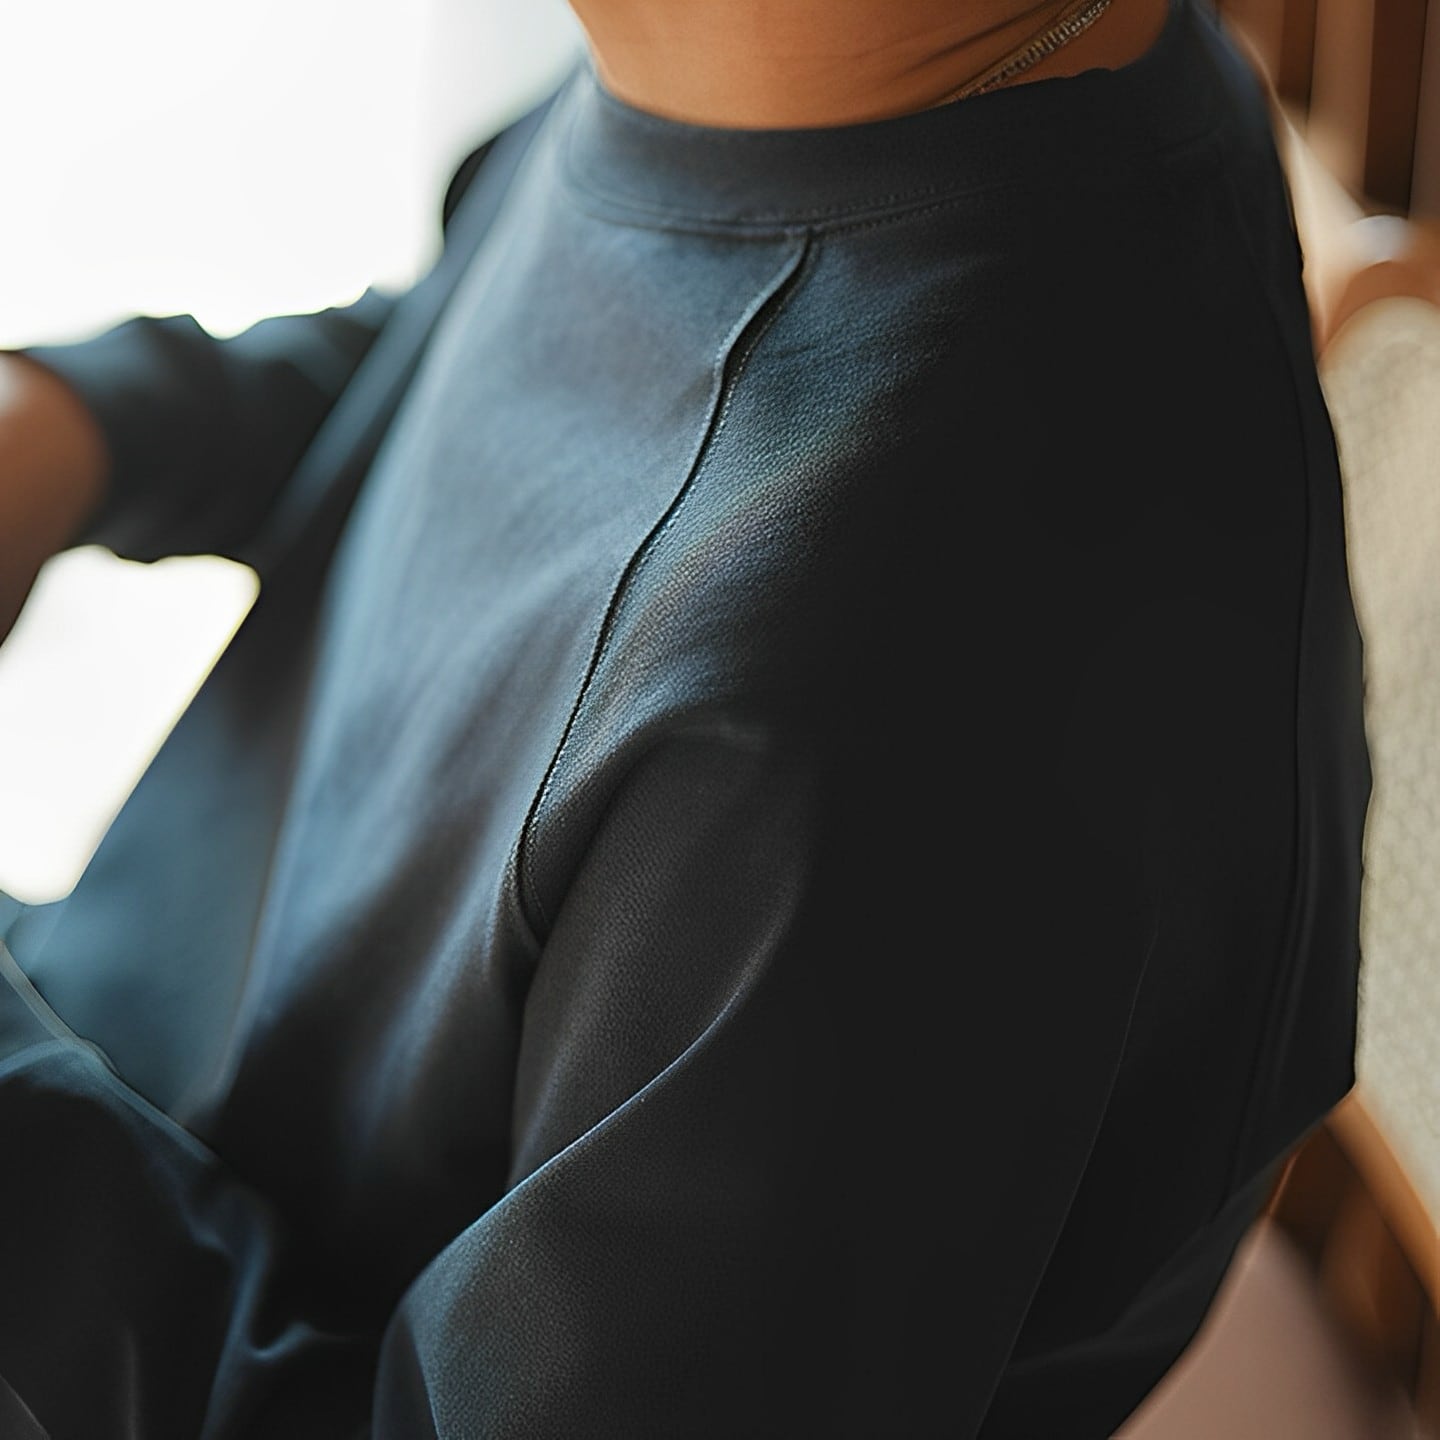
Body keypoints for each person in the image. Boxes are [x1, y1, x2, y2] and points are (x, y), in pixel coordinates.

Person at [0, 0, 1372, 1433]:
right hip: (144, 1134)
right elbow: (570, 349)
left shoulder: (888, 699)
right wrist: (89, 425)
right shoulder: (803, 70)